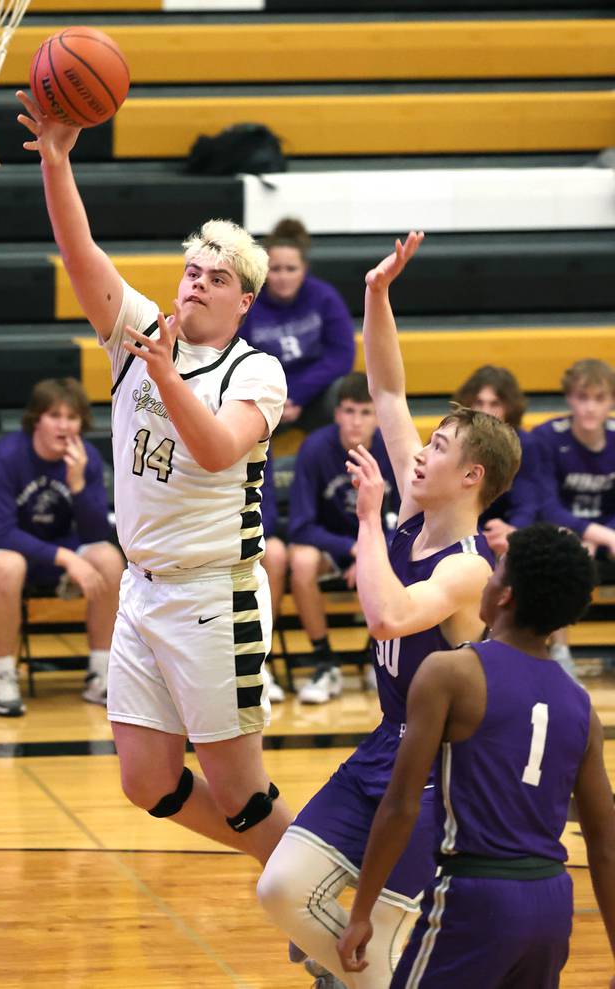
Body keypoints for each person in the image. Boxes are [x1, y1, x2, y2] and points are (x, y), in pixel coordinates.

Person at [17, 91, 294, 866]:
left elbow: (214, 449)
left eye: (216, 277)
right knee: (147, 782)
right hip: (144, 589)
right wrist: (58, 159)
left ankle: (332, 907)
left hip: (215, 595)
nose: (196, 282)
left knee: (241, 790)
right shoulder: (140, 331)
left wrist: (167, 374)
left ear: (244, 299)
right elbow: (82, 254)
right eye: (191, 269)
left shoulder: (257, 370)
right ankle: (294, 867)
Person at [256, 232, 522, 989]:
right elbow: (391, 393)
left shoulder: (470, 566)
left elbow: (388, 617)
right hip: (385, 743)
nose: (417, 449)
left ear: (469, 474)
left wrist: (369, 519)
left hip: (441, 777)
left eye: (436, 446)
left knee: (374, 947)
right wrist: (376, 295)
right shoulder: (415, 502)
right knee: (280, 889)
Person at [338, 523, 615, 989]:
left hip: (475, 894)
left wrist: (362, 911)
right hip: (552, 902)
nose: (486, 579)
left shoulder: (450, 672)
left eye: (496, 571)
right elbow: (605, 847)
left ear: (504, 596)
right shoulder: (581, 706)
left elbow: (401, 804)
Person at [0, 378, 124, 716]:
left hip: (51, 545)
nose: (64, 425)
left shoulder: (86, 458)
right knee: (9, 565)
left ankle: (101, 674)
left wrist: (77, 484)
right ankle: (3, 679)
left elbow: (95, 533)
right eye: (54, 415)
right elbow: (2, 533)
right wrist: (65, 558)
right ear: (37, 419)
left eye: (73, 417)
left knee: (108, 559)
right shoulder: (5, 457)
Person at [287, 372, 399, 705]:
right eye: (349, 411)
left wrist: (371, 554)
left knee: (407, 554)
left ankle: (378, 659)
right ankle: (325, 661)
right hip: (333, 546)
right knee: (301, 561)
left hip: (379, 546)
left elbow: (410, 520)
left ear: (378, 416)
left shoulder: (392, 449)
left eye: (365, 412)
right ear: (337, 414)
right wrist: (353, 550)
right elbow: (300, 526)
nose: (355, 421)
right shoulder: (315, 448)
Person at [532, 358, 615, 678]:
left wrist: (603, 533)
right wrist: (595, 534)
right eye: (582, 397)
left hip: (605, 531)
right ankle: (560, 649)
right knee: (567, 552)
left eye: (599, 398)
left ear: (610, 401)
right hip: (560, 530)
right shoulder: (547, 438)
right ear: (569, 398)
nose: (590, 408)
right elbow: (546, 505)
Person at [239, 218, 355, 429]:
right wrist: (277, 397)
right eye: (276, 269)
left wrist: (297, 395)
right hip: (267, 398)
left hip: (313, 396)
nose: (283, 277)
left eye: (291, 269)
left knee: (347, 393)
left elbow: (341, 356)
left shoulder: (324, 297)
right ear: (263, 270)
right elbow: (240, 359)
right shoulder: (249, 303)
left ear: (304, 269)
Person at [452, 365, 542, 555]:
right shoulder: (448, 440)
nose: (485, 411)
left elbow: (527, 502)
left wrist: (513, 530)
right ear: (468, 403)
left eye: (495, 404)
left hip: (501, 531)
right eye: (479, 402)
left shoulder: (525, 444)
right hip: (457, 531)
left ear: (510, 408)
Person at [260, 449, 289, 703]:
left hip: (245, 534)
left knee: (276, 552)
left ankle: (260, 659)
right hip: (207, 537)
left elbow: (267, 508)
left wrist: (245, 538)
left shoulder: (257, 439)